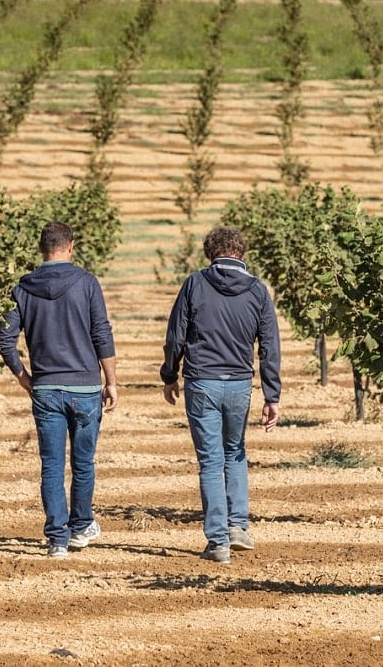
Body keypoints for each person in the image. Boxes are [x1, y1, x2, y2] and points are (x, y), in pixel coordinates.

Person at [161, 225, 281, 565]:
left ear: (209, 253)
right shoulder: (257, 291)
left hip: (201, 381)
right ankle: (239, 526)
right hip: (239, 383)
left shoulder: (195, 284)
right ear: (241, 254)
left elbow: (176, 336)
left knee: (211, 462)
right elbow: (269, 346)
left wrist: (169, 374)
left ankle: (218, 541)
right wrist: (272, 396)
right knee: (235, 452)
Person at [0, 221, 118, 559]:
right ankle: (81, 526)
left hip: (46, 387)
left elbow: (5, 340)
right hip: (85, 388)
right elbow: (102, 334)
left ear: (41, 249)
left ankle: (57, 539)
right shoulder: (87, 283)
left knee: (51, 465)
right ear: (71, 246)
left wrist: (24, 377)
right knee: (83, 462)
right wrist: (111, 381)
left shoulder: (21, 289)